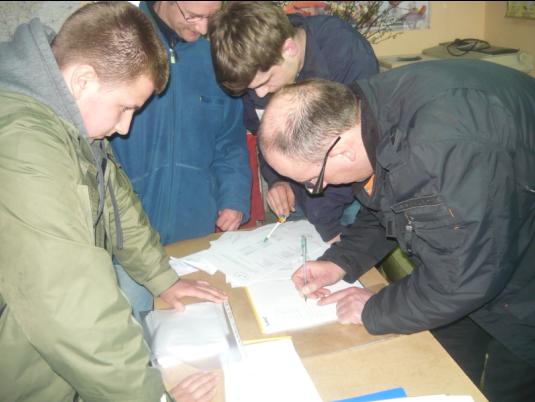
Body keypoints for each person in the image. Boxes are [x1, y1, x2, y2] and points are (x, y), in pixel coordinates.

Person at [257, 60, 535, 402]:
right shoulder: (367, 113)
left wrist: (373, 308)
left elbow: (464, 278)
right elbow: (393, 203)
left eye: (313, 180)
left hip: (521, 282)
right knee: (442, 366)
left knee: (506, 387)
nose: (320, 189)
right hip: (483, 244)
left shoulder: (436, 151)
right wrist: (340, 261)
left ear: (341, 149)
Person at [0, 2, 226, 401]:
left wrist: (163, 279)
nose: (124, 128)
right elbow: (70, 305)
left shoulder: (66, 114)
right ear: (83, 80)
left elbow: (117, 204)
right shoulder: (25, 144)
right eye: (125, 108)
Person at [110, 1, 251, 319]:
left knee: (194, 328)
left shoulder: (214, 60)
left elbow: (230, 142)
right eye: (194, 16)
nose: (204, 28)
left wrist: (233, 198)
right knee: (133, 328)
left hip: (195, 236)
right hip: (126, 242)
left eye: (211, 18)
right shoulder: (118, 43)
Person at [208, 1, 379, 242]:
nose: (259, 94)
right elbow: (265, 134)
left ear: (289, 49)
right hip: (299, 191)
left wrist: (328, 228)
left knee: (347, 255)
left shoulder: (347, 55)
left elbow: (352, 151)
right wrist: (277, 179)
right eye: (251, 88)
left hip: (344, 189)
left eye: (265, 81)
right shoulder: (256, 63)